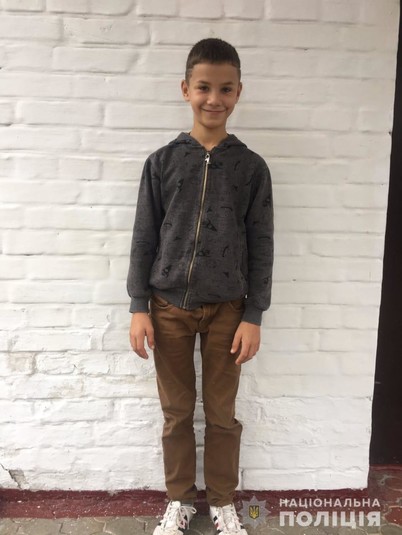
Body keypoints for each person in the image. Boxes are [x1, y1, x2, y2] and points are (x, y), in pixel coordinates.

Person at [127, 38, 274, 535]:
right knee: (175, 413)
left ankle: (224, 501)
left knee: (221, 415)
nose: (214, 99)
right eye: (204, 87)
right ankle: (179, 500)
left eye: (225, 89)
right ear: (185, 89)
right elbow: (144, 235)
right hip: (167, 306)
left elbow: (262, 243)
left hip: (228, 311)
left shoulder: (250, 168)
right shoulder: (162, 162)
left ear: (239, 92)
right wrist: (139, 305)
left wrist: (253, 314)